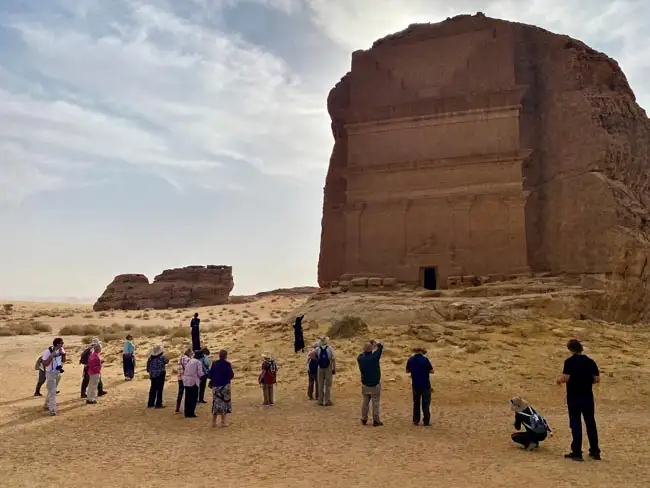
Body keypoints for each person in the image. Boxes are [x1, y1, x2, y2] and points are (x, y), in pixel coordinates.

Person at [557, 338, 601, 461]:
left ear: (571, 349)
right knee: (590, 423)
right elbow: (597, 379)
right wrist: (585, 380)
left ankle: (577, 451)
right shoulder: (590, 361)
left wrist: (559, 380)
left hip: (574, 397)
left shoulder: (569, 362)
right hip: (587, 396)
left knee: (575, 424)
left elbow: (566, 377)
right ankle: (595, 451)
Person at [357, 340, 384, 426]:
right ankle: (376, 420)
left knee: (365, 402)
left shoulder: (360, 358)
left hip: (365, 383)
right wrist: (376, 344)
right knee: (375, 403)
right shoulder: (374, 357)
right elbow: (380, 348)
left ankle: (364, 418)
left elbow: (362, 353)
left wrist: (368, 346)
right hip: (375, 383)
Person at [406, 346, 434, 426]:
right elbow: (432, 371)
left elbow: (407, 370)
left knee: (416, 403)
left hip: (415, 384)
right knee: (426, 404)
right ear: (421, 351)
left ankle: (416, 420)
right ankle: (426, 421)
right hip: (425, 384)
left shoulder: (411, 359)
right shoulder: (425, 360)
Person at [209, 349, 234, 428]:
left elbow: (209, 375)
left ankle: (214, 422)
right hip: (225, 386)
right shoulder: (227, 364)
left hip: (216, 386)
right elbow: (231, 375)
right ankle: (223, 422)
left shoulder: (214, 364)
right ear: (226, 356)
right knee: (225, 403)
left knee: (216, 404)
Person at [40, 338, 64, 416]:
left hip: (57, 372)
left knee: (51, 390)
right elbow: (44, 364)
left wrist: (63, 354)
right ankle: (52, 410)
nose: (63, 344)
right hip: (50, 373)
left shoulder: (61, 349)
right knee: (52, 392)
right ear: (57, 344)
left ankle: (46, 404)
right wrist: (51, 356)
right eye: (61, 343)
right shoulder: (48, 351)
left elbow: (63, 360)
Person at [182, 351, 204, 418]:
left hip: (186, 380)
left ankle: (186, 412)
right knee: (193, 397)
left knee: (187, 397)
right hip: (193, 381)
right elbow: (200, 373)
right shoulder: (198, 362)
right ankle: (191, 413)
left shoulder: (190, 361)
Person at [314, 337, 336, 406]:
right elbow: (333, 359)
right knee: (328, 385)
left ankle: (320, 400)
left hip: (320, 368)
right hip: (328, 368)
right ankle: (327, 400)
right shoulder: (330, 348)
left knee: (320, 384)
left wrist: (317, 360)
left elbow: (311, 355)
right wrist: (334, 368)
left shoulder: (317, 349)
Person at [176, 348, 192, 413]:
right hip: (187, 378)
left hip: (180, 378)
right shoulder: (188, 359)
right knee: (188, 393)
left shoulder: (180, 358)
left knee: (180, 393)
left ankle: (177, 407)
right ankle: (187, 408)